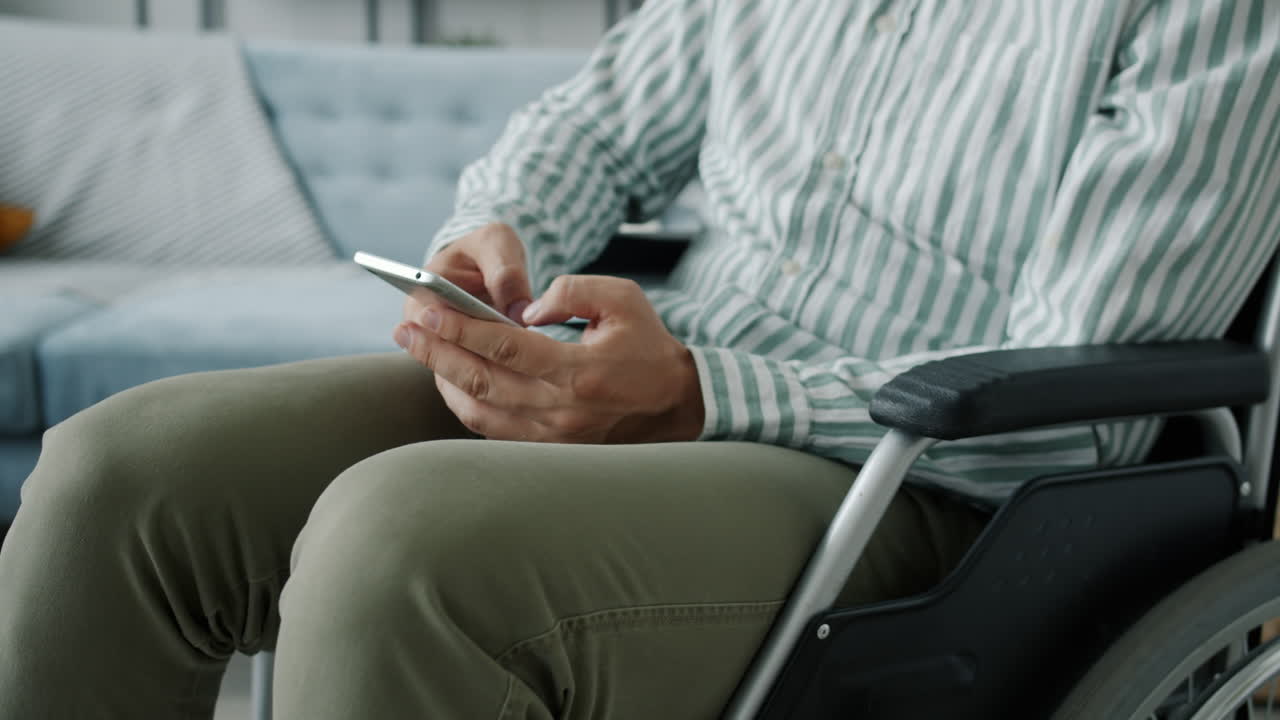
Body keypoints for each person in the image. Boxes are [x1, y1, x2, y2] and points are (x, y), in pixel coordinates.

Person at [3, 0, 1279, 717]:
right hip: (689, 381)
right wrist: (492, 237)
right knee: (120, 474)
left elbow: (1074, 407)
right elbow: (592, 128)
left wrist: (696, 396)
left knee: (403, 543)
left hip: (926, 476)